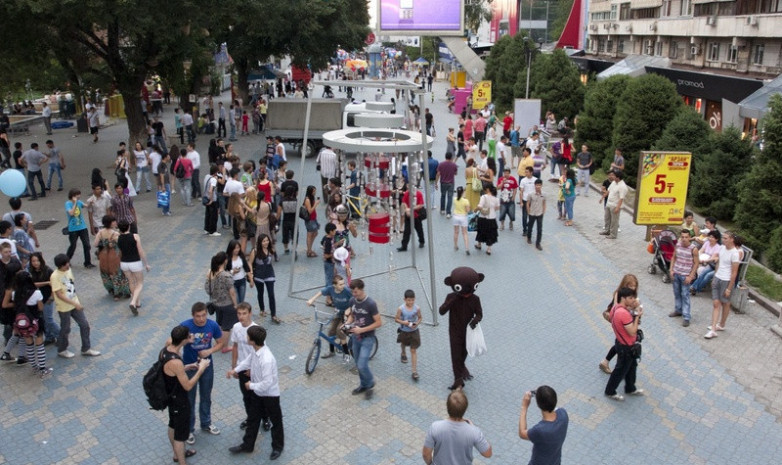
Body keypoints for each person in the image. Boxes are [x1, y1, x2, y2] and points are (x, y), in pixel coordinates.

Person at [226, 325, 284, 460]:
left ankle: (277, 447)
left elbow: (267, 383)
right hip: (258, 394)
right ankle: (247, 445)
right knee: (253, 419)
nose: (246, 338)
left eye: (247, 336)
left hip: (270, 395)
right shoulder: (255, 350)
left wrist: (250, 385)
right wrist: (235, 370)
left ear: (252, 340)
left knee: (276, 421)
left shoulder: (267, 359)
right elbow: (248, 361)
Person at [163, 325, 211, 465]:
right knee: (180, 435)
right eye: (189, 336)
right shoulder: (176, 361)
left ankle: (176, 455)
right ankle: (182, 461)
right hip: (179, 399)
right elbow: (188, 385)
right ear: (183, 340)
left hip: (169, 395)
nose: (191, 337)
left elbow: (169, 371)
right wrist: (200, 369)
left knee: (172, 425)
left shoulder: (166, 351)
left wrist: (187, 367)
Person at [180, 302, 223, 445]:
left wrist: (209, 351)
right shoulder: (185, 326)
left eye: (204, 315)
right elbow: (173, 342)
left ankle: (206, 423)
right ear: (193, 316)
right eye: (198, 316)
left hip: (206, 367)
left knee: (206, 396)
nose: (201, 319)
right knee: (189, 399)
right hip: (190, 368)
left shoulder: (212, 325)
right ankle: (189, 429)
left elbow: (220, 343)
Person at [422, 390, 492, 465]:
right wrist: (474, 429)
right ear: (465, 408)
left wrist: (430, 464)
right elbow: (488, 453)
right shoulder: (474, 432)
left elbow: (426, 454)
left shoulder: (435, 427)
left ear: (447, 406)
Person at [51, 254, 101, 359]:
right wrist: (74, 304)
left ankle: (86, 348)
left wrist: (76, 302)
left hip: (74, 303)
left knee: (84, 325)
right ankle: (62, 349)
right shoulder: (55, 276)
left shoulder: (68, 271)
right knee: (65, 329)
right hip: (64, 307)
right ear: (60, 266)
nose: (68, 265)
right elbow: (59, 294)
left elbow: (71, 285)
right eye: (65, 265)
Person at [604, 287, 645, 401]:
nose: (633, 300)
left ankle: (630, 387)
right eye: (630, 298)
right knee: (620, 370)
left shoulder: (615, 308)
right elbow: (632, 331)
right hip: (626, 347)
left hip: (620, 342)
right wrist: (637, 316)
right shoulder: (624, 314)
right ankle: (610, 391)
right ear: (623, 298)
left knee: (632, 367)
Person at [346, 279, 382, 399]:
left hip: (368, 338)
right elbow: (352, 315)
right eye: (352, 292)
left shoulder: (370, 304)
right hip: (356, 337)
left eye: (355, 292)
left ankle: (370, 382)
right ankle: (364, 385)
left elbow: (378, 322)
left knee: (362, 364)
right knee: (357, 363)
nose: (354, 294)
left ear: (362, 289)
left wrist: (362, 330)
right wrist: (347, 323)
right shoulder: (352, 301)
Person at [599, 274, 639, 374]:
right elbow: (618, 308)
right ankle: (616, 367)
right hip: (621, 322)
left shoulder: (631, 295)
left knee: (620, 343)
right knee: (621, 343)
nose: (632, 288)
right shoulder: (619, 294)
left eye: (634, 286)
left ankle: (606, 362)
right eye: (630, 286)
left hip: (626, 321)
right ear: (625, 284)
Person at [518, 386, 569, 465]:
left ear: (538, 405)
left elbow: (522, 433)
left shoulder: (540, 430)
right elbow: (555, 408)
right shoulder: (563, 414)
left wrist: (524, 406)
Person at [306, 275, 352, 360]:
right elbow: (321, 292)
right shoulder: (330, 289)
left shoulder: (347, 291)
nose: (343, 286)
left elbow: (355, 300)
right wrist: (312, 299)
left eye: (343, 284)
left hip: (348, 314)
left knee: (340, 330)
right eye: (340, 284)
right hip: (338, 312)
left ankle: (346, 354)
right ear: (334, 285)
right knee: (331, 332)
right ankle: (331, 352)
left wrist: (349, 309)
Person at [705, 230, 741, 339]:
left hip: (726, 280)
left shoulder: (735, 253)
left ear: (732, 239)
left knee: (725, 303)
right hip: (718, 278)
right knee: (716, 303)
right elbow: (719, 263)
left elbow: (734, 272)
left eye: (726, 238)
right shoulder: (721, 248)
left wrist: (729, 288)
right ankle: (713, 329)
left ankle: (721, 324)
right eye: (723, 238)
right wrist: (715, 277)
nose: (723, 240)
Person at [93, 215, 130, 301]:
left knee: (106, 273)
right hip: (114, 256)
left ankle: (111, 289)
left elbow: (95, 244)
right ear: (110, 223)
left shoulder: (100, 232)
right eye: (114, 221)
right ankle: (119, 292)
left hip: (103, 255)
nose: (115, 222)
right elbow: (121, 244)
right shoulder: (115, 233)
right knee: (117, 274)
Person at [117, 220, 150, 315]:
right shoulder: (135, 236)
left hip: (124, 263)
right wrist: (146, 263)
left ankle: (137, 302)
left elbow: (120, 252)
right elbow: (140, 251)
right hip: (135, 262)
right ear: (128, 227)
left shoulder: (118, 238)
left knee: (131, 282)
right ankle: (133, 302)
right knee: (140, 283)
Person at [668, 230, 699, 327]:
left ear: (690, 237)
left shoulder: (693, 249)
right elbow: (674, 257)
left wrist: (690, 276)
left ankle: (686, 317)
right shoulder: (678, 245)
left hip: (685, 275)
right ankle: (678, 310)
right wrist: (671, 270)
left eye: (686, 237)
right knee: (677, 293)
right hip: (676, 273)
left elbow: (696, 263)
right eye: (682, 237)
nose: (684, 239)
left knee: (685, 295)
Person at [29, 252, 59, 346]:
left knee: (49, 319)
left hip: (48, 298)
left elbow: (54, 284)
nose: (35, 263)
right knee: (43, 319)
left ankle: (61, 336)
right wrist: (46, 283)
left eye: (37, 260)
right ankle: (49, 337)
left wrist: (52, 297)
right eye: (33, 261)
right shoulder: (31, 271)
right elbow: (31, 284)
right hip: (38, 299)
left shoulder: (48, 270)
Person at [249, 234, 280, 324]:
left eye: (267, 240)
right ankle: (262, 309)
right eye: (264, 241)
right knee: (260, 292)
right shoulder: (255, 251)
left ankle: (273, 315)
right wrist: (251, 274)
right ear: (260, 242)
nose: (266, 242)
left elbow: (272, 260)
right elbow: (250, 263)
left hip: (269, 274)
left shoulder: (271, 250)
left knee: (271, 295)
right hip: (258, 275)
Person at [395, 289, 422, 381]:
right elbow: (396, 319)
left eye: (412, 300)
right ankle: (403, 352)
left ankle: (414, 371)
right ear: (404, 299)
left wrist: (417, 324)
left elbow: (420, 317)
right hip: (404, 330)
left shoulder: (417, 308)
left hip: (414, 332)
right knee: (403, 343)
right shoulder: (401, 309)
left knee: (413, 350)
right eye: (409, 300)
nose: (411, 302)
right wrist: (404, 322)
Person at [65, 189, 95, 269]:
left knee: (86, 245)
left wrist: (90, 203)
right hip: (73, 229)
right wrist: (74, 203)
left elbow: (86, 206)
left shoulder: (79, 202)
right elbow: (71, 213)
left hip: (82, 227)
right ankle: (66, 260)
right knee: (73, 245)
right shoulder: (68, 203)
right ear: (73, 196)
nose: (79, 196)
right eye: (77, 195)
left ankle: (87, 262)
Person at [692, 230, 721, 295]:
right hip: (702, 261)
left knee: (703, 273)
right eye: (710, 237)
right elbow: (701, 251)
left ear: (717, 239)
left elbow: (712, 259)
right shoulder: (707, 243)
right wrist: (698, 258)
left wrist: (703, 261)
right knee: (700, 271)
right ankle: (693, 286)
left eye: (712, 237)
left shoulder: (718, 247)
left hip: (710, 263)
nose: (710, 238)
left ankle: (695, 288)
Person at [397, 184, 425, 252]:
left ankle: (422, 241)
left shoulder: (419, 194)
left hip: (417, 216)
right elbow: (404, 202)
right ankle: (404, 246)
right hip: (409, 216)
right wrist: (407, 210)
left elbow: (421, 205)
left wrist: (410, 209)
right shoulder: (407, 193)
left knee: (419, 230)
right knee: (407, 231)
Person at [600, 170, 627, 239]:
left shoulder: (622, 186)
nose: (612, 177)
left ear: (618, 177)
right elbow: (608, 191)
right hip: (609, 203)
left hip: (615, 205)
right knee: (607, 218)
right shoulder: (613, 183)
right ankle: (607, 230)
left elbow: (621, 198)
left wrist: (618, 207)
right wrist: (602, 197)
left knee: (614, 221)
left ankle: (613, 234)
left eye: (614, 176)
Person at [474, 185, 499, 255]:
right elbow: (497, 208)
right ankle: (489, 249)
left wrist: (475, 210)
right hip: (492, 218)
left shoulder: (483, 197)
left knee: (480, 231)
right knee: (490, 233)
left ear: (487, 190)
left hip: (483, 217)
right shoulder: (496, 199)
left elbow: (480, 206)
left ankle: (479, 244)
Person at [526, 179, 546, 251]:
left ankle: (538, 243)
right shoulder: (531, 194)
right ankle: (529, 237)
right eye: (537, 185)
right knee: (530, 226)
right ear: (534, 185)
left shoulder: (544, 194)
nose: (538, 187)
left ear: (541, 186)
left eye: (539, 185)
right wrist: (528, 211)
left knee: (539, 229)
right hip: (532, 213)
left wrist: (543, 211)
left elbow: (544, 203)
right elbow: (528, 203)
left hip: (539, 213)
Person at [497, 167, 518, 231]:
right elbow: (498, 188)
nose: (506, 174)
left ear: (509, 173)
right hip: (503, 199)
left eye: (507, 173)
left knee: (511, 213)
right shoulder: (501, 179)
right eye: (505, 173)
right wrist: (502, 182)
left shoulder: (513, 179)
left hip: (510, 198)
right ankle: (502, 224)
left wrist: (514, 197)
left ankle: (511, 222)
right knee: (502, 212)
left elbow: (515, 188)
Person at [452, 187, 471, 255]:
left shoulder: (454, 199)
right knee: (464, 233)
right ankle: (467, 248)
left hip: (455, 216)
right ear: (463, 192)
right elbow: (468, 210)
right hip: (463, 217)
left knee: (456, 232)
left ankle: (455, 245)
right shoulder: (466, 201)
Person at [303, 186, 321, 257]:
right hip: (310, 219)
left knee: (315, 233)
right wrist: (316, 204)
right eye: (313, 191)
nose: (315, 192)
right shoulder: (307, 200)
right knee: (310, 234)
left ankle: (309, 248)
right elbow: (310, 211)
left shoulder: (311, 198)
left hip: (313, 218)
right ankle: (309, 250)